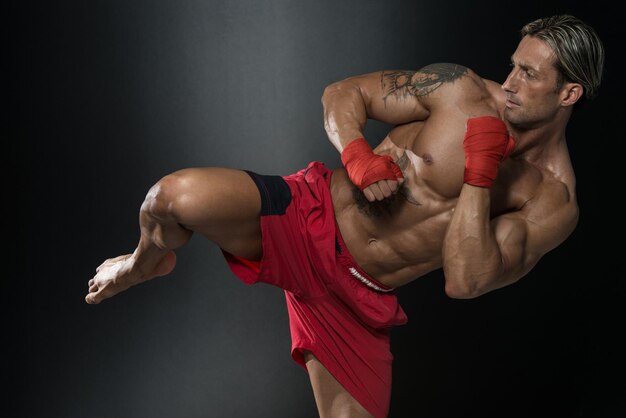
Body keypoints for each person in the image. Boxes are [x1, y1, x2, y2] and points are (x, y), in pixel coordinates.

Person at [85, 14, 604, 418]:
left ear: (569, 94)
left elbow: (467, 282)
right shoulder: (460, 89)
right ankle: (141, 262)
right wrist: (356, 153)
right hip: (307, 218)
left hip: (357, 302)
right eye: (513, 64)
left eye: (529, 74)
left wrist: (479, 175)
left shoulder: (552, 203)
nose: (510, 81)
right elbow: (343, 94)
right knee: (168, 199)